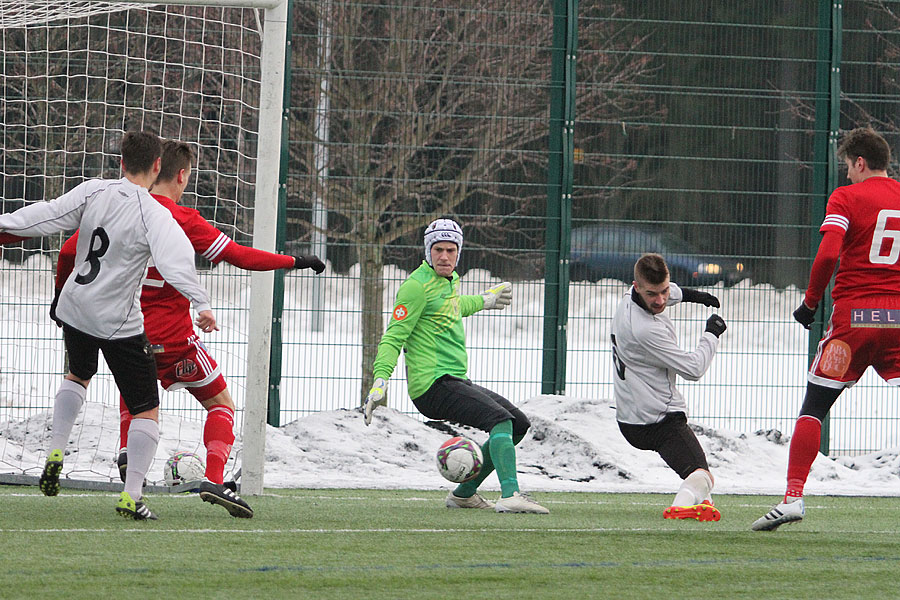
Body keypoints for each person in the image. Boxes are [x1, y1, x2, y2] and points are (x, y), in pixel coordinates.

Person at [52, 139, 326, 518]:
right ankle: (214, 478)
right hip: (176, 340)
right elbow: (239, 256)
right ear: (180, 175)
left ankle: (127, 452)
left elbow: (68, 253)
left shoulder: (121, 209)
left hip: (127, 331)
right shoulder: (182, 220)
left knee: (137, 393)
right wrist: (295, 260)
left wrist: (60, 295)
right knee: (221, 403)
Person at [0, 130, 215, 520]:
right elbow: (176, 260)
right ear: (157, 167)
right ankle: (132, 495)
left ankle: (56, 450)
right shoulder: (153, 212)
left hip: (75, 306)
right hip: (117, 322)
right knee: (146, 408)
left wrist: (5, 223)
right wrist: (201, 302)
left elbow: (46, 215)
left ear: (120, 162)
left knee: (78, 373)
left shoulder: (93, 191)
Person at [753, 127, 900, 531]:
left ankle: (793, 497)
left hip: (855, 320)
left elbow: (829, 253)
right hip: (898, 320)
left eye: (847, 167)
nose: (847, 175)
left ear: (860, 162)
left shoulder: (847, 197)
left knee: (814, 408)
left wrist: (811, 302)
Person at [362, 218, 549, 514]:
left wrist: (484, 301)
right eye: (438, 249)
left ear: (459, 252)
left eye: (451, 250)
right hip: (432, 387)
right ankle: (511, 494)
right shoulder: (415, 287)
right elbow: (393, 337)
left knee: (518, 424)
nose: (445, 256)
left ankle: (464, 494)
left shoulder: (449, 281)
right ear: (428, 251)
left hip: (454, 380)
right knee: (499, 421)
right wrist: (380, 380)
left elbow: (452, 306)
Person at [611, 253, 727, 522]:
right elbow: (693, 369)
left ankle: (703, 503)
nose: (661, 300)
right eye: (653, 294)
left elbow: (670, 292)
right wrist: (711, 334)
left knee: (699, 477)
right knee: (702, 475)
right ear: (637, 286)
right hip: (657, 419)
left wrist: (695, 296)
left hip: (631, 416)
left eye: (664, 290)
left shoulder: (631, 298)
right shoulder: (644, 329)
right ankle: (681, 507)